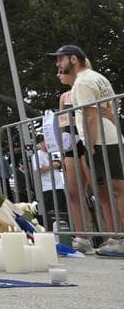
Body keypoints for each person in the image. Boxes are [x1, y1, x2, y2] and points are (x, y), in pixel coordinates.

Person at [54, 44, 124, 256]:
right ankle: (115, 237)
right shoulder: (97, 77)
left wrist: (90, 143)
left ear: (73, 59)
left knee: (116, 190)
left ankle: (119, 238)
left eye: (61, 59)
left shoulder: (83, 82)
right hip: (108, 138)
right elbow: (110, 108)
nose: (58, 64)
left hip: (102, 140)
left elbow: (91, 115)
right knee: (114, 190)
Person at [55, 64, 95, 254]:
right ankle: (82, 236)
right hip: (72, 141)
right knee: (73, 192)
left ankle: (113, 233)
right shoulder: (64, 97)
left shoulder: (87, 88)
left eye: (62, 71)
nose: (59, 75)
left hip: (89, 139)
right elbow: (63, 121)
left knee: (99, 188)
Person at [32, 134, 68, 233]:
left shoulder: (52, 154)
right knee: (52, 214)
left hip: (59, 186)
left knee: (62, 212)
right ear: (41, 142)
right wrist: (53, 165)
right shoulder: (38, 155)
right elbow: (38, 170)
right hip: (48, 188)